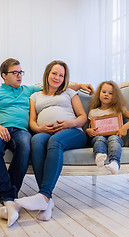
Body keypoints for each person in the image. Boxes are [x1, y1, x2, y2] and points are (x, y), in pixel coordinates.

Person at [0, 58, 93, 227]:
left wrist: (81, 86)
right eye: (15, 73)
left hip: (25, 131)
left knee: (26, 145)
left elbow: (59, 87)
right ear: (4, 75)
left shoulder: (29, 90)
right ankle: (8, 198)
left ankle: (40, 196)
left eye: (21, 72)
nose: (19, 76)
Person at [14, 60, 91, 221]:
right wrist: (39, 129)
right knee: (36, 141)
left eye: (61, 75)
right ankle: (46, 202)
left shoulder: (69, 92)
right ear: (47, 74)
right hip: (45, 132)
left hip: (73, 132)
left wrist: (70, 123)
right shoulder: (35, 96)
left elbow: (83, 117)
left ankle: (44, 196)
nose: (57, 77)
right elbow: (32, 122)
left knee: (55, 141)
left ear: (65, 78)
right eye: (54, 73)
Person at [86, 81, 129, 174]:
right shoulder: (93, 112)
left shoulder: (118, 109)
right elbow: (90, 127)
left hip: (115, 136)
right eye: (104, 92)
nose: (106, 95)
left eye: (111, 93)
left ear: (115, 96)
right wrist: (88, 130)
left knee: (113, 138)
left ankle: (114, 163)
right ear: (99, 94)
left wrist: (124, 127)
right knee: (99, 139)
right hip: (99, 136)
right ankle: (99, 156)